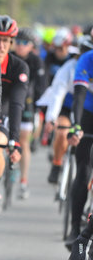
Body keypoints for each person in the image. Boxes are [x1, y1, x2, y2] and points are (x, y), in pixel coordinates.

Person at [0, 15, 29, 217]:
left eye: (6, 41)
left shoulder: (18, 67)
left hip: (3, 113)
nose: (0, 45)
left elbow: (18, 104)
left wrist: (14, 140)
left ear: (11, 43)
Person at [43, 34, 93, 185]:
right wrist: (51, 118)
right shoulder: (69, 68)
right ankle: (57, 164)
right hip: (67, 105)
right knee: (62, 132)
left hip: (85, 107)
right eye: (81, 52)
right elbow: (57, 94)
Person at [13, 27, 47, 198]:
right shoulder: (9, 58)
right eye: (17, 42)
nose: (20, 46)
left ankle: (24, 181)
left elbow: (41, 87)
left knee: (23, 142)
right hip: (8, 102)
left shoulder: (36, 61)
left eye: (24, 43)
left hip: (27, 102)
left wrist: (39, 108)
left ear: (31, 46)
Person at [65, 45, 93, 248]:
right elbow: (79, 95)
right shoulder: (87, 59)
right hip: (88, 113)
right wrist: (76, 127)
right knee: (83, 170)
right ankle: (75, 228)